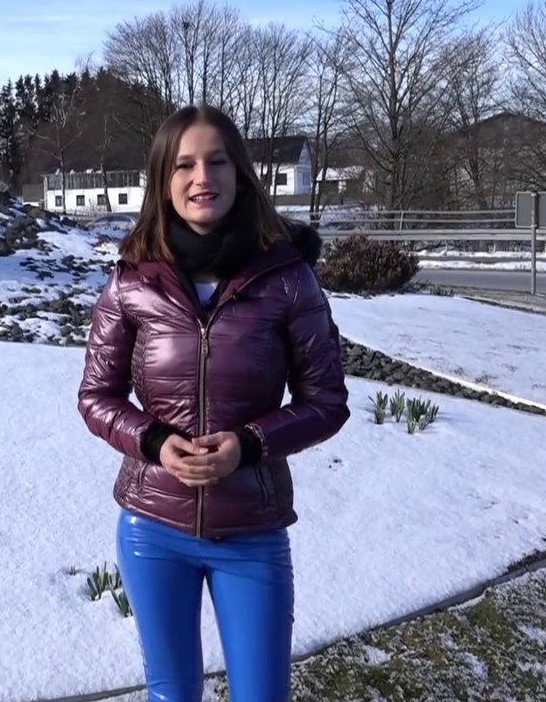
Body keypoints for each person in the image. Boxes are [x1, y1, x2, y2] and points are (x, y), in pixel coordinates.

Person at [76, 104, 351, 702]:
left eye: (216, 161)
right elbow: (96, 396)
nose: (202, 178)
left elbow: (326, 400)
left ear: (240, 173)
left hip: (251, 531)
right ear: (163, 182)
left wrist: (248, 444)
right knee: (172, 696)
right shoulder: (131, 281)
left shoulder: (287, 278)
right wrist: (152, 441)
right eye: (184, 165)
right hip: (154, 528)